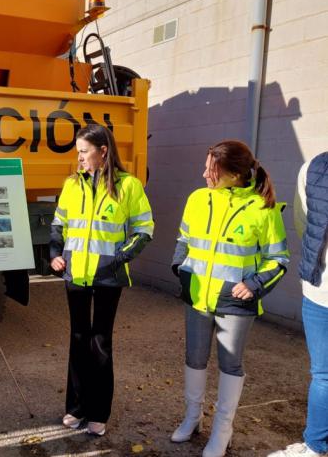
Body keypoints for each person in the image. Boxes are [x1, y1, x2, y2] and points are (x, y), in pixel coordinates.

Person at [170, 140, 289, 457]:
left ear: (234, 174)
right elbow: (184, 239)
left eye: (211, 168)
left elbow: (279, 260)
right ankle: (192, 418)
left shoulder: (262, 209)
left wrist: (254, 283)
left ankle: (222, 431)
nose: (204, 173)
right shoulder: (197, 198)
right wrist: (179, 268)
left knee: (230, 365)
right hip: (197, 296)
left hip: (236, 304)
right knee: (194, 359)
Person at [49, 124, 154, 436]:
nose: (79, 158)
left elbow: (144, 229)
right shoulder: (72, 184)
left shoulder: (129, 186)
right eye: (78, 152)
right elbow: (60, 221)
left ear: (103, 151)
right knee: (78, 339)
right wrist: (56, 252)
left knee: (100, 342)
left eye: (84, 151)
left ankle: (98, 413)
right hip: (75, 275)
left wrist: (119, 258)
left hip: (108, 276)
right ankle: (75, 408)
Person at [268, 153, 328, 457]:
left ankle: (315, 446)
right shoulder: (313, 168)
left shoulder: (315, 168)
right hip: (320, 292)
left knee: (324, 375)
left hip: (320, 287)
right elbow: (303, 223)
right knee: (323, 375)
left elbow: (304, 224)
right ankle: (316, 445)